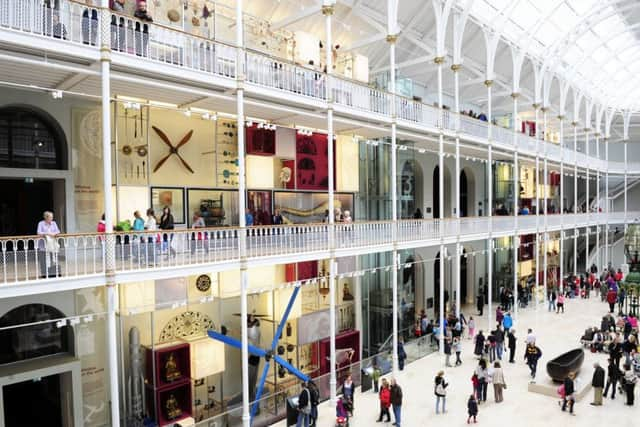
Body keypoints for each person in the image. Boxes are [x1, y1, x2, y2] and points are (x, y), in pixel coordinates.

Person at [37, 210, 61, 278]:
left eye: (52, 217)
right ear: (46, 218)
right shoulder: (41, 223)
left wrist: (54, 234)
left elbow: (58, 231)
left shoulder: (54, 223)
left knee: (52, 260)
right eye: (50, 217)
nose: (52, 219)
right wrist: (46, 234)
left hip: (52, 245)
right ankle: (44, 275)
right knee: (43, 261)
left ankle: (52, 273)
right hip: (43, 246)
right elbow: (39, 233)